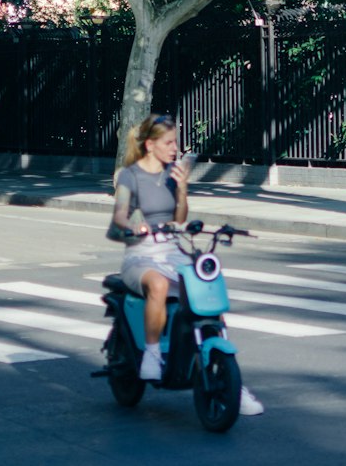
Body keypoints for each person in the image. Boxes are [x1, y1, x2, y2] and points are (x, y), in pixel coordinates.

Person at [110, 113, 264, 414]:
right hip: (140, 255)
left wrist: (182, 189)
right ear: (151, 144)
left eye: (176, 142)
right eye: (168, 143)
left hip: (171, 251)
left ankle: (231, 381)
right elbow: (118, 218)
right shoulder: (129, 175)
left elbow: (179, 220)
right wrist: (134, 228)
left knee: (206, 289)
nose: (174, 148)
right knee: (157, 284)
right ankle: (152, 354)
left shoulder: (171, 175)